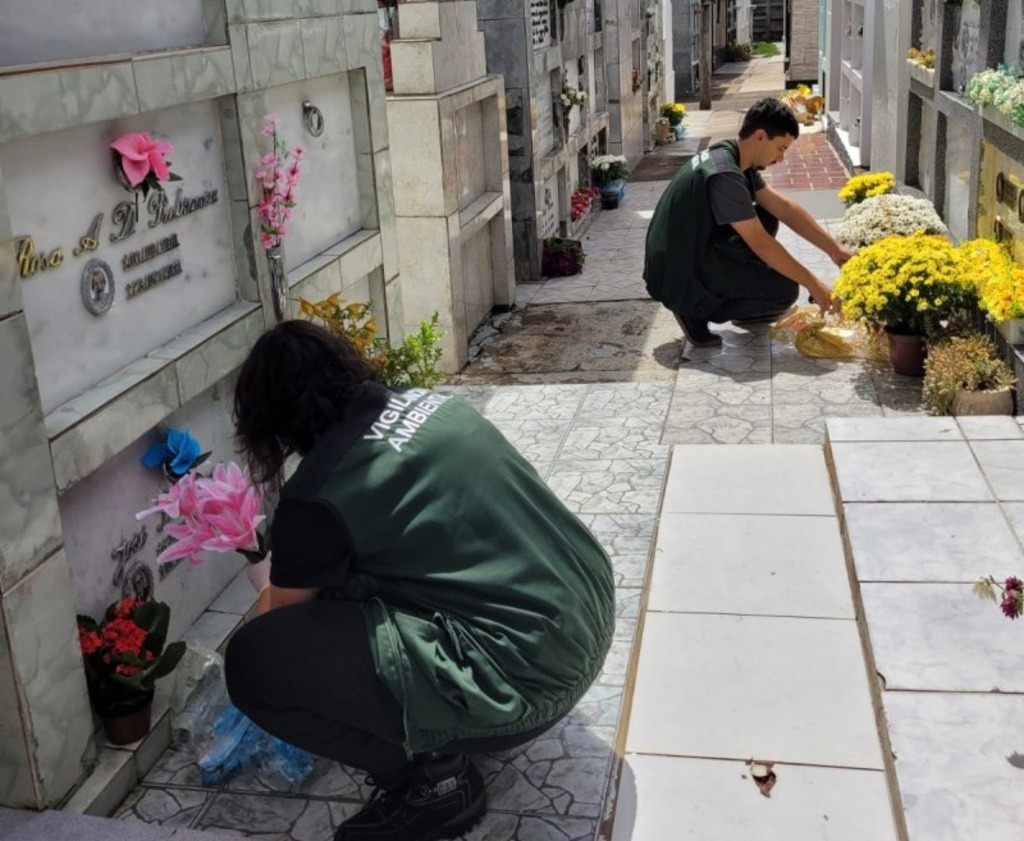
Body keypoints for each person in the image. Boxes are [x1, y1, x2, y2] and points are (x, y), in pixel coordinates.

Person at [225, 320, 615, 841]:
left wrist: (262, 575)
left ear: (272, 420)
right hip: (587, 615)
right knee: (349, 586)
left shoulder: (317, 492)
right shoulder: (434, 405)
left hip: (529, 676)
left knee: (254, 662)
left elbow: (284, 620)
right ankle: (448, 726)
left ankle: (432, 781)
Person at [643, 97, 855, 348]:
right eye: (781, 148)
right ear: (760, 136)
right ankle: (694, 310)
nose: (781, 158)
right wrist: (814, 284)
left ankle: (738, 290)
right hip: (678, 274)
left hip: (689, 253)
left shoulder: (733, 157)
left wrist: (834, 249)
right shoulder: (725, 175)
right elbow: (760, 244)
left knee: (767, 216)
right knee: (784, 291)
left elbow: (784, 208)